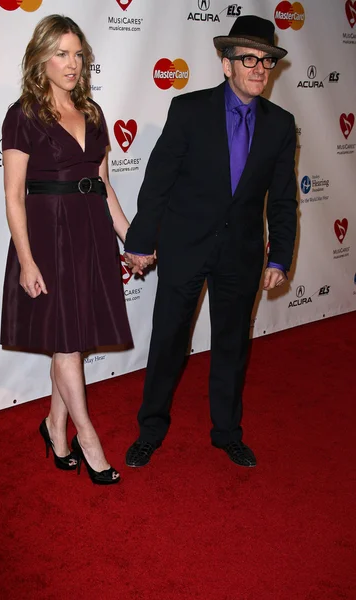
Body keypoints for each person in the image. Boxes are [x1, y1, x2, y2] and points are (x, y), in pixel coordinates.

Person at [124, 15, 297, 468]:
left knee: (232, 345)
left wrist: (279, 255)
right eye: (248, 59)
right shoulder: (188, 109)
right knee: (168, 342)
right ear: (226, 64)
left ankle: (226, 432)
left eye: (267, 60)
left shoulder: (281, 125)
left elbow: (281, 199)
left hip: (241, 253)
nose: (260, 68)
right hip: (186, 246)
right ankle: (151, 429)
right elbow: (158, 181)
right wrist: (141, 240)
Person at [1, 14, 134, 485]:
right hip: (48, 239)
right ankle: (88, 438)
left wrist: (131, 240)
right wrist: (27, 259)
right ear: (41, 58)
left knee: (69, 341)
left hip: (91, 235)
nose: (72, 63)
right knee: (67, 342)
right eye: (61, 53)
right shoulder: (23, 115)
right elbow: (14, 195)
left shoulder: (93, 113)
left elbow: (103, 185)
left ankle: (55, 425)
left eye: (78, 53)